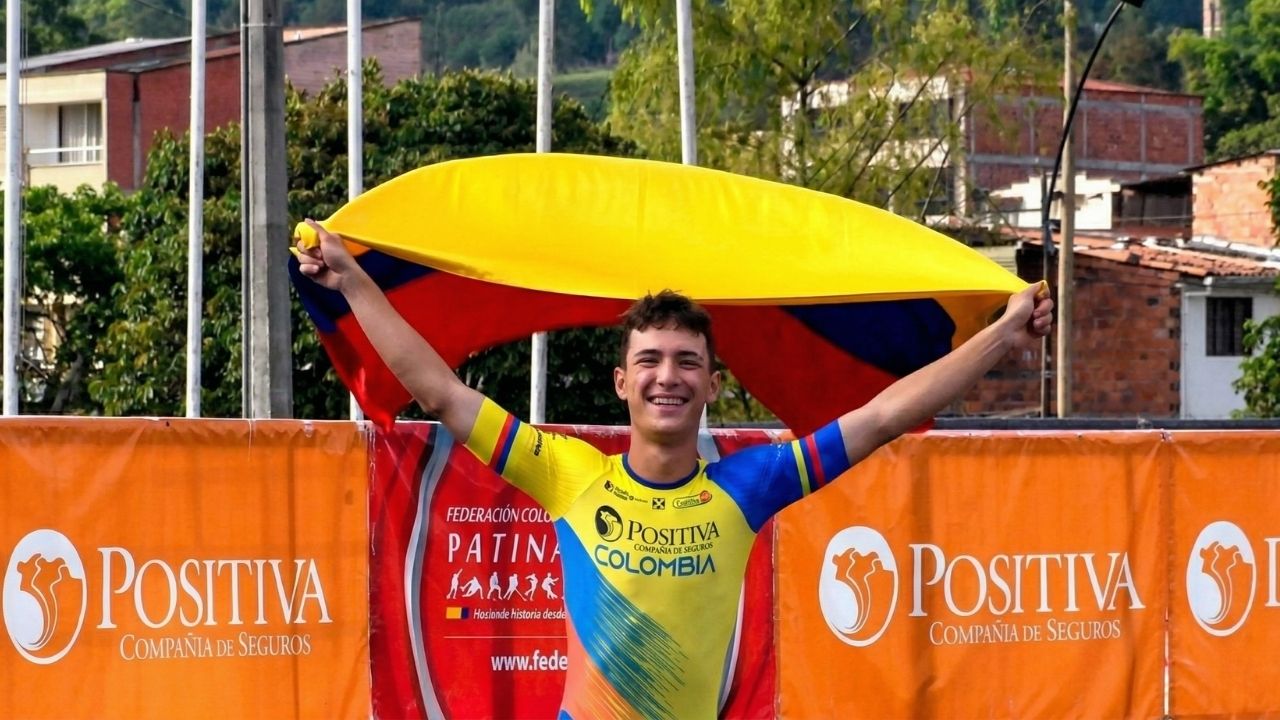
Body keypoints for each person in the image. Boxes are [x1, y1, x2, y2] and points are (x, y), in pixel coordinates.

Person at [295, 219, 1053, 720]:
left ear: (712, 383)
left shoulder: (749, 487)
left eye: (687, 362)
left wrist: (1007, 331)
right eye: (649, 360)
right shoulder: (569, 474)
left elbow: (886, 415)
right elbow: (440, 391)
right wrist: (355, 283)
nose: (668, 376)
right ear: (623, 383)